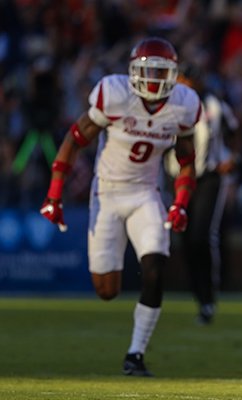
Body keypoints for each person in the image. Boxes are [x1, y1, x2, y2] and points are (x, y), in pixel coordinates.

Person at [40, 37, 201, 376]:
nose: (155, 80)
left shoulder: (183, 105)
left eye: (162, 72)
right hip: (107, 194)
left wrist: (182, 204)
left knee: (156, 264)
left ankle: (135, 354)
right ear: (134, 72)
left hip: (147, 193)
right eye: (149, 71)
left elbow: (187, 160)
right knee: (106, 290)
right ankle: (133, 347)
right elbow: (74, 139)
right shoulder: (114, 95)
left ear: (173, 75)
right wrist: (54, 195)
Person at [165, 66, 241, 325]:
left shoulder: (214, 105)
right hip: (177, 177)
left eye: (187, 80)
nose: (183, 85)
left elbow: (234, 130)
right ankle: (199, 295)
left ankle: (209, 295)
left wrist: (232, 158)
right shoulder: (168, 104)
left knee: (201, 235)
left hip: (208, 176)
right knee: (185, 240)